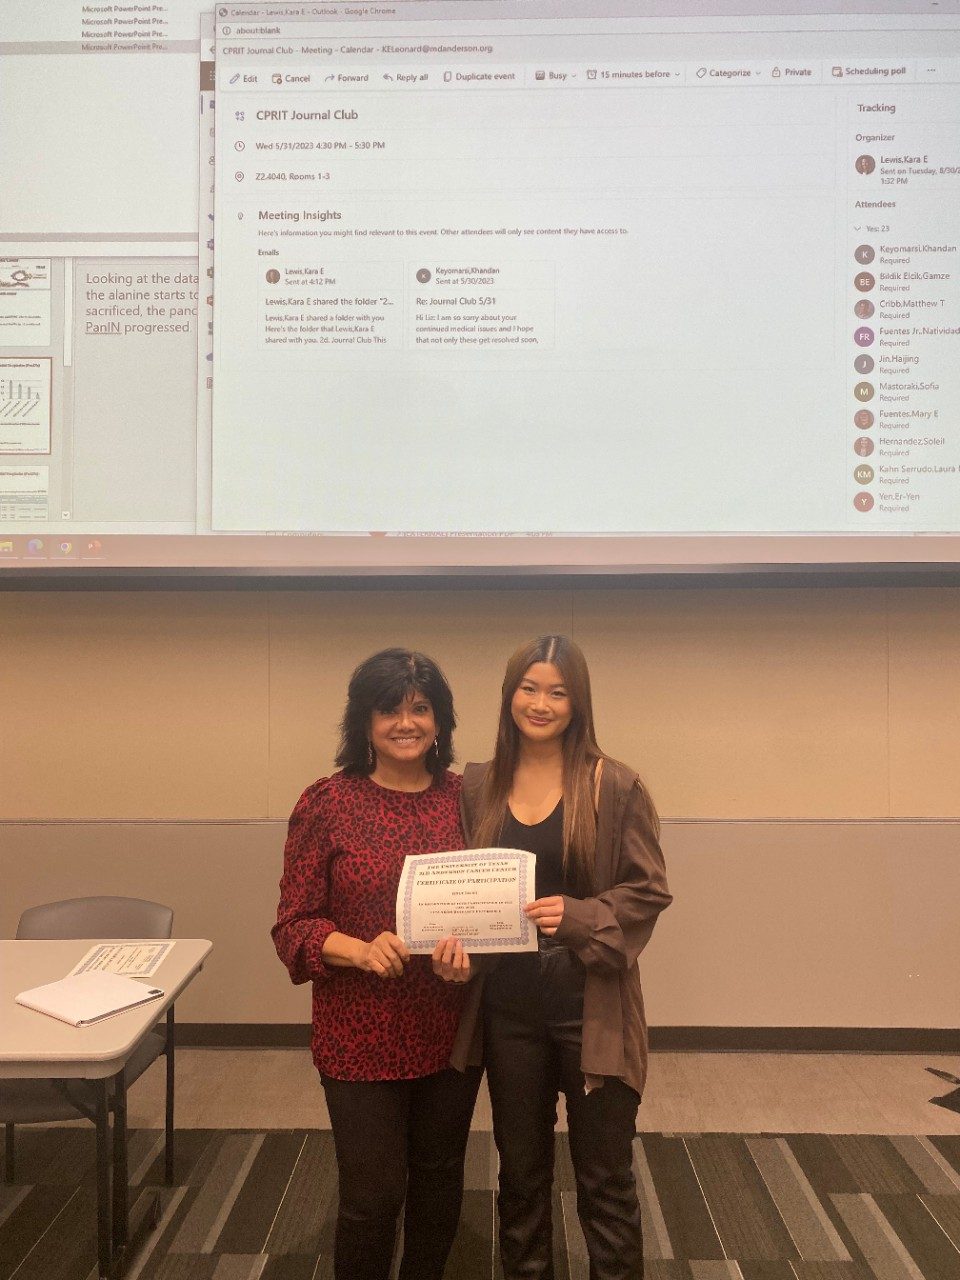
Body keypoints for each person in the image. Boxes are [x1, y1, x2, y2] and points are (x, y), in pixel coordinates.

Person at [437, 634, 671, 1280]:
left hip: (590, 1003)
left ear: (578, 703)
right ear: (510, 695)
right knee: (520, 1174)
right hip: (507, 1005)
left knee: (604, 1179)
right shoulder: (478, 785)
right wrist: (456, 948)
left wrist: (578, 916)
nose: (540, 704)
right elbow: (464, 887)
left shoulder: (613, 784)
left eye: (558, 693)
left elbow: (649, 890)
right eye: (529, 688)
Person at [273, 647, 481, 1280]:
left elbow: (492, 908)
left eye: (421, 708)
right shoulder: (327, 803)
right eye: (389, 709)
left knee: (440, 1180)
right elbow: (293, 927)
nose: (405, 723)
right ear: (363, 721)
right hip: (358, 1034)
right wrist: (360, 951)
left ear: (441, 721)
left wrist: (471, 959)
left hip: (448, 1028)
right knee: (372, 1196)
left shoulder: (469, 802)